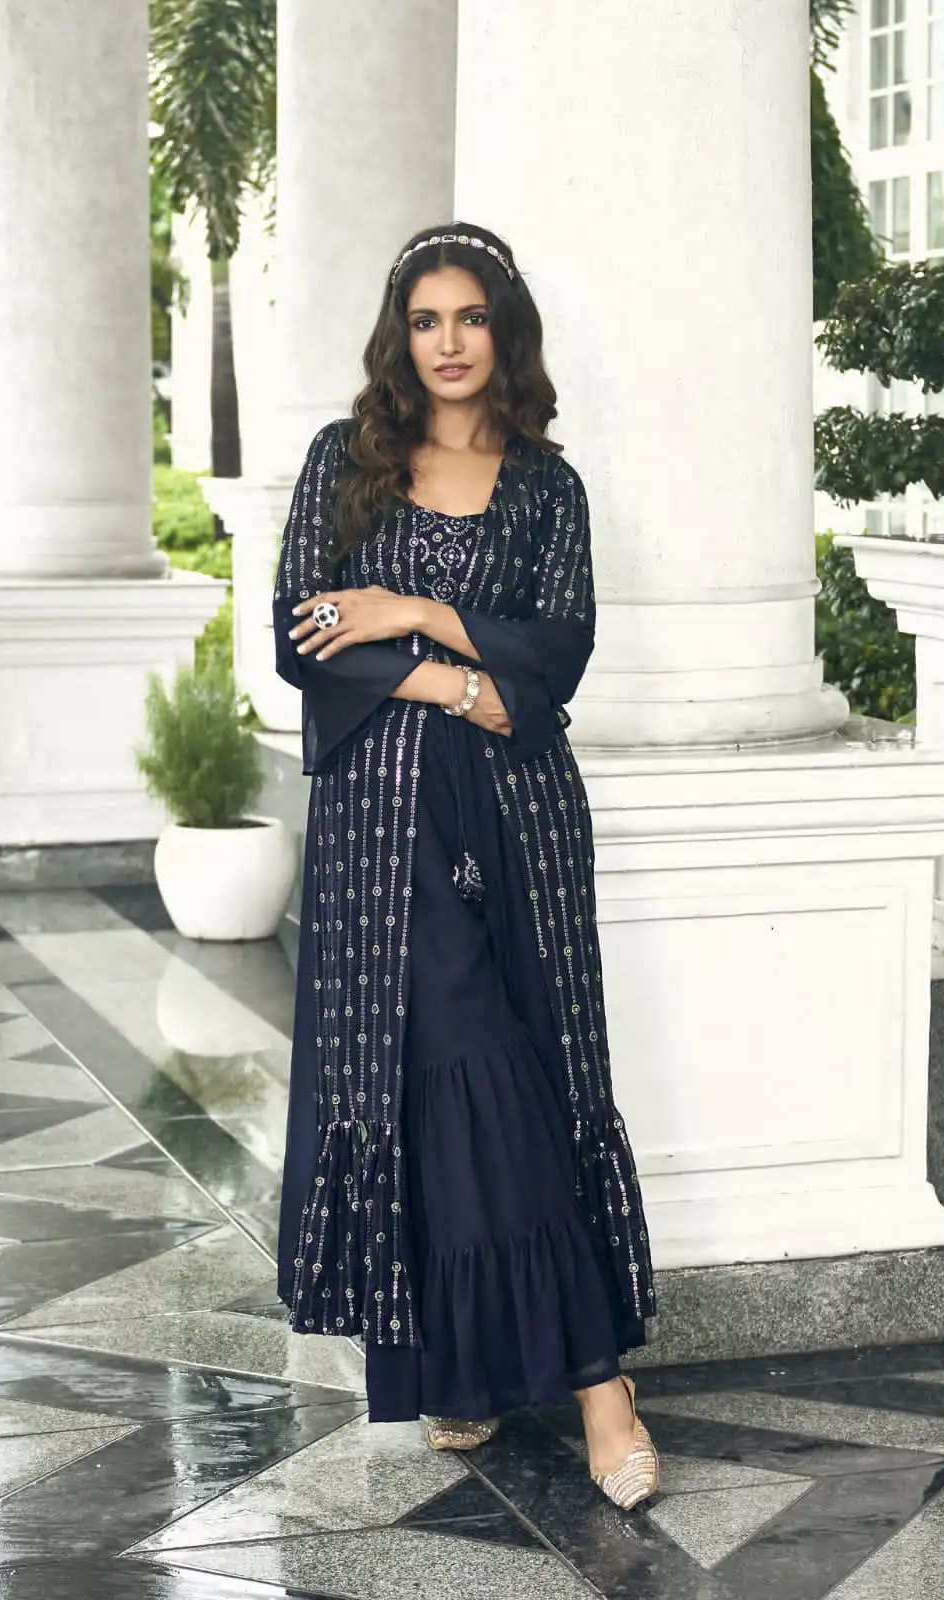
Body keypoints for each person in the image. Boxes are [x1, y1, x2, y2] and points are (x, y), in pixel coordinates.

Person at [273, 223, 660, 1509]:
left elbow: (559, 651)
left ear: (505, 332)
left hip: (520, 818)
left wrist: (410, 610)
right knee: (451, 1062)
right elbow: (300, 636)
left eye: (472, 317)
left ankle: (477, 1366)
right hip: (385, 832)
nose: (448, 342)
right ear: (402, 336)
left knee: (528, 1063)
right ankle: (598, 1387)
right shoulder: (346, 464)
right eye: (427, 320)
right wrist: (453, 678)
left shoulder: (547, 488)